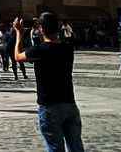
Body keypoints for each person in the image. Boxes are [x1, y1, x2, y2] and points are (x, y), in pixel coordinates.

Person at [13, 12, 84, 152]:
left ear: (41, 29)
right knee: (76, 146)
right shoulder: (68, 48)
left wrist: (18, 34)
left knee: (55, 148)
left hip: (50, 106)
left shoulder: (39, 50)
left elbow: (17, 56)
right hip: (70, 104)